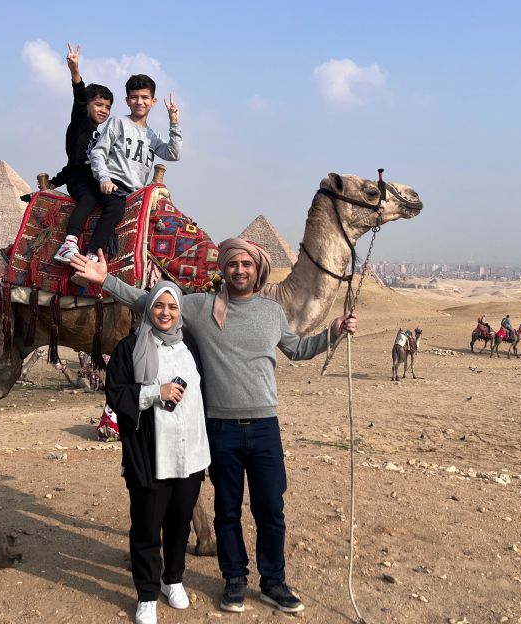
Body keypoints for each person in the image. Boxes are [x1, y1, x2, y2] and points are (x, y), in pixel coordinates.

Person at [73, 238, 356, 615]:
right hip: (221, 428)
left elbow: (298, 349)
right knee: (227, 510)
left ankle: (273, 581)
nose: (240, 269)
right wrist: (105, 280)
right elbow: (152, 302)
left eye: (247, 264)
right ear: (223, 268)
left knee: (271, 507)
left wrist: (334, 332)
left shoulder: (272, 313)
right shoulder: (200, 307)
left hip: (264, 426)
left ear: (258, 270)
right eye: (233, 263)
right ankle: (234, 579)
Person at [105, 281, 209, 624]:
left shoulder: (190, 344)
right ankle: (147, 593)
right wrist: (154, 391)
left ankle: (172, 578)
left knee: (180, 523)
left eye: (173, 307)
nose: (166, 313)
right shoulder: (130, 348)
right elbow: (116, 394)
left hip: (190, 453)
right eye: (159, 306)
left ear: (180, 311)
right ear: (148, 308)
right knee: (147, 526)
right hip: (151, 454)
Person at [82, 74, 181, 265]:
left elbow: (173, 154)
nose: (139, 102)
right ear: (127, 100)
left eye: (144, 97)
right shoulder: (118, 122)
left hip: (137, 193)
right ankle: (91, 256)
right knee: (115, 209)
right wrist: (104, 179)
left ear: (153, 101)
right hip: (113, 185)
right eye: (134, 97)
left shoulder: (152, 135)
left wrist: (174, 122)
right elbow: (98, 153)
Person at [50, 43, 115, 264]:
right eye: (98, 104)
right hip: (80, 182)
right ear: (87, 105)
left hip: (94, 179)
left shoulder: (102, 134)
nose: (103, 110)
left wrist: (53, 182)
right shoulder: (80, 124)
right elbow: (74, 166)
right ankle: (69, 244)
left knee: (116, 204)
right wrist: (75, 71)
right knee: (87, 199)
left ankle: (95, 250)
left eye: (107, 107)